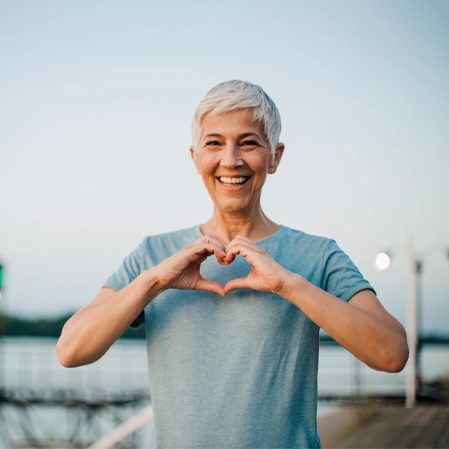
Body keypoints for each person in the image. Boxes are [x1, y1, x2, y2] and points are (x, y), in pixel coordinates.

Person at [57, 80, 409, 448]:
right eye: (214, 143)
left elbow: (392, 353)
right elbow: (71, 350)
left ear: (275, 156)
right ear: (195, 156)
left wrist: (289, 285)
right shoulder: (153, 254)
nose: (231, 160)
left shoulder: (319, 255)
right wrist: (155, 282)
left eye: (249, 142)